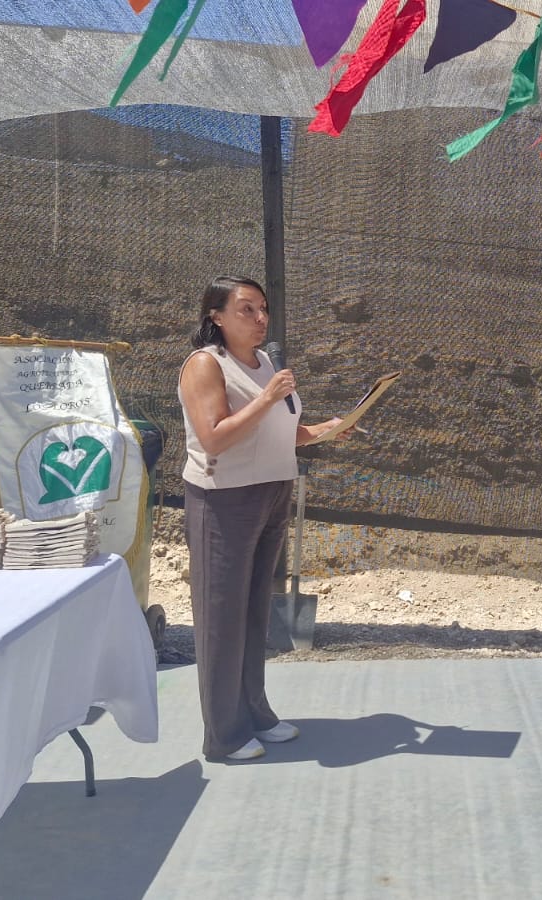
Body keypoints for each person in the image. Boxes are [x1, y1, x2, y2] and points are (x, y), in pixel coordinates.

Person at [178, 275, 351, 761]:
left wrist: (325, 431)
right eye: (246, 310)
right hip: (224, 500)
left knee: (254, 613)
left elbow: (283, 434)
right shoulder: (204, 365)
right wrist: (267, 398)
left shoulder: (266, 363)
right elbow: (214, 437)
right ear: (215, 315)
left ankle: (255, 713)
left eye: (263, 309)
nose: (260, 319)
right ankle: (224, 736)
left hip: (273, 492)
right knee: (221, 619)